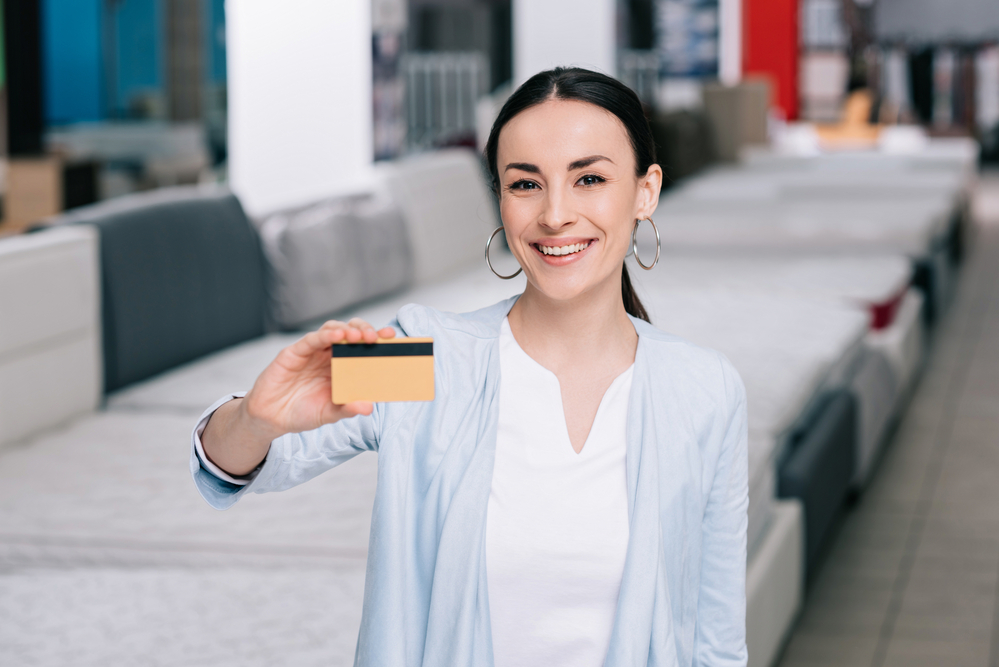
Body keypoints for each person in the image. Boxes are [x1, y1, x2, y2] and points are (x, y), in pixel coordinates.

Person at [192, 67, 748, 667]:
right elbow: (242, 463)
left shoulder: (704, 389)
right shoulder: (426, 359)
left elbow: (716, 641)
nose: (556, 215)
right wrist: (256, 418)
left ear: (646, 190)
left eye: (589, 178)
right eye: (525, 184)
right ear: (501, 199)